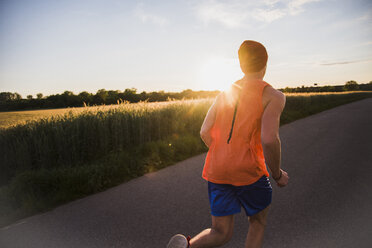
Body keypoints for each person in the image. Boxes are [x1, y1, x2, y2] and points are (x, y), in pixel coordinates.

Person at [167, 40, 289, 248]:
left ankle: (187, 247)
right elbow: (269, 139)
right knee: (257, 222)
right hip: (250, 172)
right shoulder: (273, 96)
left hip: (217, 170)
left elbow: (204, 131)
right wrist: (277, 174)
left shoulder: (224, 93)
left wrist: (224, 154)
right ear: (265, 64)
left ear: (241, 65)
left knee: (220, 231)